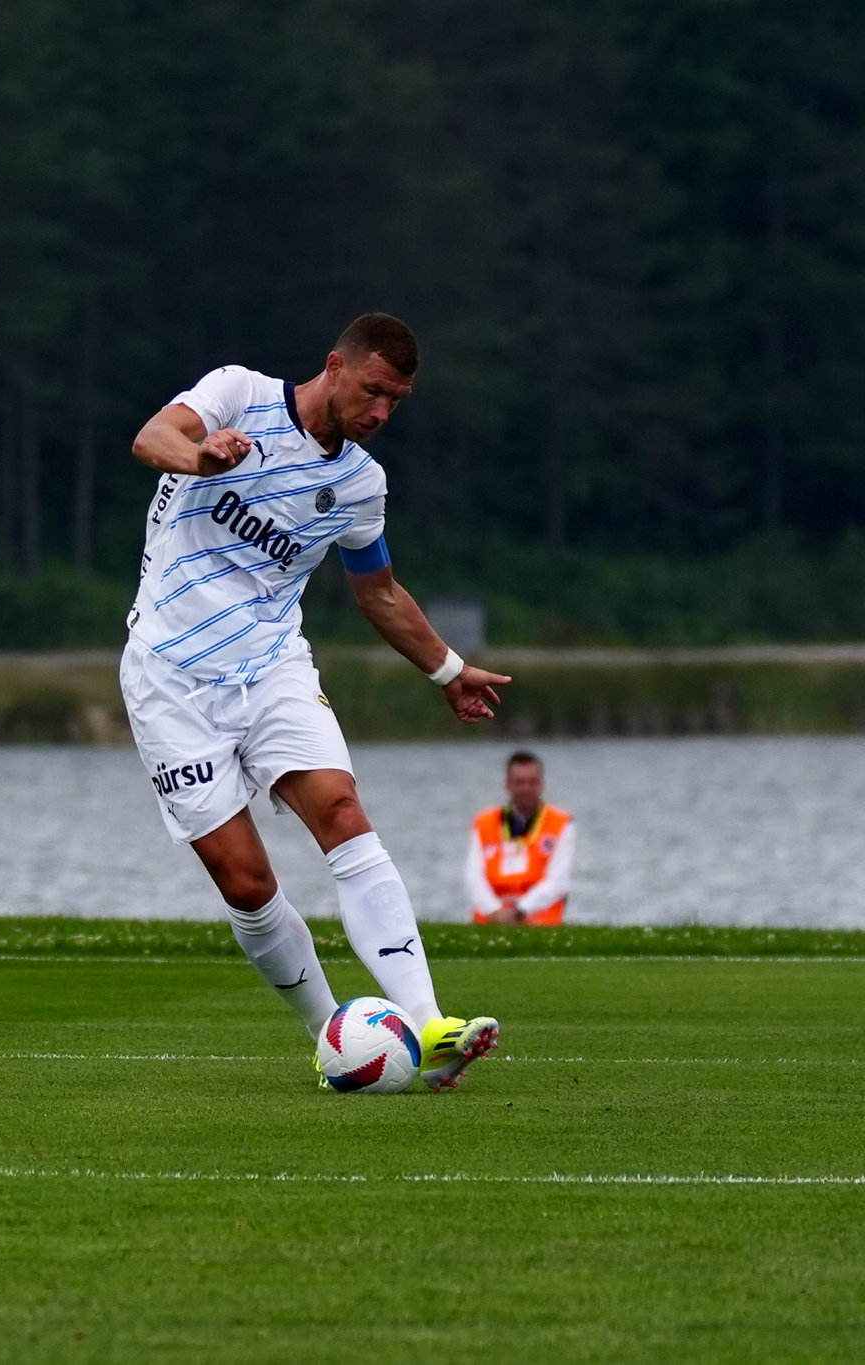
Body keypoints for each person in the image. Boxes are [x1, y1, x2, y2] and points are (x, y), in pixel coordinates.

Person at [122, 313, 510, 1090]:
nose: (380, 414)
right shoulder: (239, 394)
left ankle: (429, 1025)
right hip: (169, 676)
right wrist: (202, 455)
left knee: (340, 810)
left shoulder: (362, 484)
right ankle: (336, 1034)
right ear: (335, 367)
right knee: (246, 883)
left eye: (396, 402)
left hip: (273, 668)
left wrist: (448, 670)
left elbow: (380, 594)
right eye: (373, 392)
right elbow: (152, 437)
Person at [467, 750, 575, 925]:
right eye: (519, 782)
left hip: (540, 921)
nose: (526, 789)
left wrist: (520, 910)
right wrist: (495, 911)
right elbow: (473, 878)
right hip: (490, 921)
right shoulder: (484, 823)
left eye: (532, 782)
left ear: (542, 784)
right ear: (508, 785)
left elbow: (558, 882)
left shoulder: (562, 823)